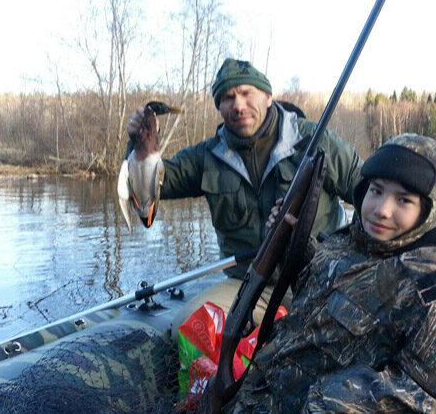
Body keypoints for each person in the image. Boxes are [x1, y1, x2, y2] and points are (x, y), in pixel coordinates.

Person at [225, 133, 436, 413]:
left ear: (427, 211)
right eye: (376, 190)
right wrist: (290, 243)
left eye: (403, 200)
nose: (382, 210)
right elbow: (317, 293)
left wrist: (336, 401)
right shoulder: (348, 240)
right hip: (260, 395)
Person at [124, 58, 363, 330]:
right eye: (228, 98)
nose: (238, 105)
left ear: (268, 97)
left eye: (247, 93)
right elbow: (147, 195)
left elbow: (370, 198)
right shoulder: (206, 156)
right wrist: (141, 150)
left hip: (320, 278)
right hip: (249, 285)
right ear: (219, 107)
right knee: (190, 328)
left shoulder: (316, 141)